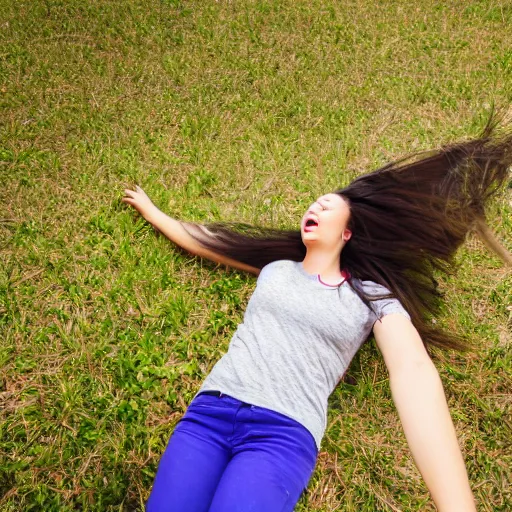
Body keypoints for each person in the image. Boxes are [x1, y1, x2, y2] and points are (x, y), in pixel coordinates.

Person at [122, 117, 511, 512]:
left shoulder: (371, 295)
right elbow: (211, 244)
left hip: (281, 433)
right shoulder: (276, 268)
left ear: (347, 233)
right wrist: (155, 212)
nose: (316, 205)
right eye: (314, 203)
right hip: (209, 413)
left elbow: (412, 370)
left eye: (327, 206)